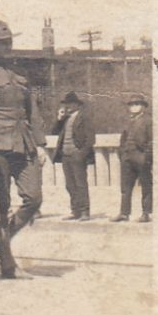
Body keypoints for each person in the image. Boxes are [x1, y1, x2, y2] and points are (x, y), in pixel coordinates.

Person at [0, 20, 38, 279]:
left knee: (34, 198)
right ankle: (7, 262)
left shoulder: (20, 74)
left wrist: (41, 144)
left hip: (24, 144)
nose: (7, 47)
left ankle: (1, 240)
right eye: (2, 43)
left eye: (9, 42)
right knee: (1, 205)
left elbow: (32, 110)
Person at [51, 92, 95, 220]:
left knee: (81, 184)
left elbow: (91, 138)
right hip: (65, 155)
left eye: (70, 104)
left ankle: (84, 212)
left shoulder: (84, 117)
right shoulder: (65, 119)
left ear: (77, 105)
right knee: (70, 185)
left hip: (77, 155)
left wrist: (81, 154)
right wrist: (59, 119)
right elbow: (54, 132)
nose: (68, 106)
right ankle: (75, 211)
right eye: (66, 104)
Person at [114, 93, 153, 223]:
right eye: (131, 104)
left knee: (146, 186)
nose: (134, 107)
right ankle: (124, 213)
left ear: (143, 106)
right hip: (127, 157)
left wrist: (146, 156)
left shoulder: (148, 121)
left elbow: (152, 141)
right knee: (125, 187)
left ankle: (146, 213)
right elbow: (123, 139)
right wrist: (122, 154)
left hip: (141, 157)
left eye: (137, 104)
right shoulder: (128, 121)